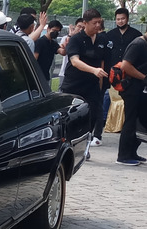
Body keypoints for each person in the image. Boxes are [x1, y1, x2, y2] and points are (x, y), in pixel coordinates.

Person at [60, 8, 110, 160]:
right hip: (74, 85)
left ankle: (85, 148)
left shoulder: (102, 40)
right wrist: (93, 70)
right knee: (70, 117)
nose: (97, 26)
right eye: (94, 23)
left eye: (99, 23)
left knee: (92, 116)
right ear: (85, 23)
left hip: (93, 86)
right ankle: (65, 146)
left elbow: (102, 62)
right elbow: (74, 61)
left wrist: (100, 81)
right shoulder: (76, 40)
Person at [103, 8, 142, 132]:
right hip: (112, 72)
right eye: (118, 19)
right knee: (108, 98)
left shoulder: (136, 35)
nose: (120, 21)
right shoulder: (110, 35)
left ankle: (125, 124)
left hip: (129, 73)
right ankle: (109, 123)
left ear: (127, 19)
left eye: (123, 19)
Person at [116, 32, 147, 165]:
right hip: (132, 88)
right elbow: (125, 66)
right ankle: (123, 156)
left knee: (139, 119)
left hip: (140, 89)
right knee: (130, 120)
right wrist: (144, 78)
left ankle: (132, 152)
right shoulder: (138, 44)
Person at [34, 20, 65, 85]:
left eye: (57, 31)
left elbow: (62, 52)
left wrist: (66, 46)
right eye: (54, 30)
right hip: (37, 76)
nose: (55, 33)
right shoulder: (40, 41)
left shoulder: (53, 43)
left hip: (46, 75)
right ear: (48, 29)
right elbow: (34, 59)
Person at [59, 18, 84, 89]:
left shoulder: (84, 40)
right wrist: (70, 35)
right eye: (79, 26)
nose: (80, 29)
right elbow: (63, 50)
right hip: (64, 72)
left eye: (83, 27)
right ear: (75, 26)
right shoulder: (65, 38)